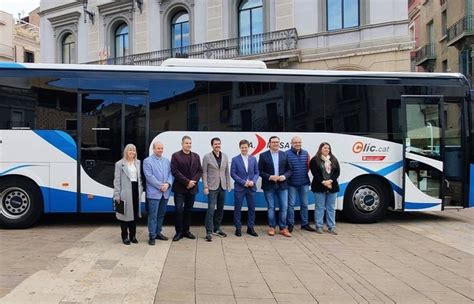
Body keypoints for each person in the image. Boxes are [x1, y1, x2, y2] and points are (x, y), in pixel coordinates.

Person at [258, 136, 292, 237]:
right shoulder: (263, 155)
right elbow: (260, 171)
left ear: (279, 143)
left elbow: (290, 170)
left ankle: (283, 228)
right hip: (269, 185)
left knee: (284, 207)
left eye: (277, 142)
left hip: (283, 185)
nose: (275, 144)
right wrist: (269, 177)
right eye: (273, 142)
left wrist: (284, 176)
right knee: (271, 207)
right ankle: (272, 227)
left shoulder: (284, 155)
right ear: (269, 144)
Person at [170, 135, 203, 241]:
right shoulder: (175, 156)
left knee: (188, 210)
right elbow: (175, 171)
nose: (188, 145)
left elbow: (199, 171)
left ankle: (187, 231)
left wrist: (192, 182)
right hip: (180, 188)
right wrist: (187, 182)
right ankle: (179, 232)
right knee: (179, 210)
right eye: (186, 143)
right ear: (182, 144)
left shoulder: (196, 156)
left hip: (192, 188)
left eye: (190, 143)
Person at [143, 140, 173, 245]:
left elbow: (170, 174)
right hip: (154, 193)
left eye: (161, 148)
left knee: (161, 215)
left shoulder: (166, 161)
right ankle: (152, 236)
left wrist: (168, 184)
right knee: (153, 215)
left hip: (165, 193)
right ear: (153, 149)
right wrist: (161, 186)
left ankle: (158, 232)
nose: (160, 150)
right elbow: (149, 177)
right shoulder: (147, 161)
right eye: (158, 148)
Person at [113, 143, 143, 245]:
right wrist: (117, 194)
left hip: (135, 191)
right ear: (126, 151)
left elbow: (140, 179)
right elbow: (117, 181)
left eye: (134, 150)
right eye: (130, 150)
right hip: (125, 192)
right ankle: (125, 236)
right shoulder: (119, 164)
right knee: (124, 215)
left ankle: (133, 236)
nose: (132, 152)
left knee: (134, 214)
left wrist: (141, 189)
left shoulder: (138, 163)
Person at [202, 137, 231, 242]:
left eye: (219, 144)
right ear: (212, 145)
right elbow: (204, 172)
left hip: (222, 186)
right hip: (212, 187)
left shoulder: (225, 156)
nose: (217, 146)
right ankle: (208, 231)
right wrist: (205, 186)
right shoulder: (207, 157)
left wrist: (228, 184)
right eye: (215, 144)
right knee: (210, 209)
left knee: (220, 209)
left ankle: (217, 228)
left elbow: (227, 172)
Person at [310, 142, 340, 235]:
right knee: (320, 207)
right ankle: (319, 226)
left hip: (332, 186)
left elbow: (337, 172)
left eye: (328, 148)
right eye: (325, 148)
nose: (327, 150)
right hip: (319, 186)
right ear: (320, 149)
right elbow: (315, 173)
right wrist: (323, 182)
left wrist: (330, 181)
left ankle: (331, 227)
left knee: (331, 208)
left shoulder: (334, 159)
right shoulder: (315, 160)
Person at [230, 139, 259, 237]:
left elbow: (256, 172)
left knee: (252, 208)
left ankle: (250, 228)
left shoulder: (253, 159)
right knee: (238, 208)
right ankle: (238, 228)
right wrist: (243, 182)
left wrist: (253, 181)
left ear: (248, 147)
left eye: (246, 147)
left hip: (251, 187)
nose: (244, 149)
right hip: (240, 188)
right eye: (242, 147)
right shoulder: (235, 159)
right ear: (240, 148)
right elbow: (233, 173)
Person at [287, 136, 316, 232]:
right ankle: (290, 224)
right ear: (291, 143)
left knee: (304, 204)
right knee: (290, 205)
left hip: (304, 183)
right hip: (291, 184)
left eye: (299, 142)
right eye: (295, 142)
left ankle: (305, 224)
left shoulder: (306, 153)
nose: (297, 144)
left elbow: (308, 168)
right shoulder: (286, 154)